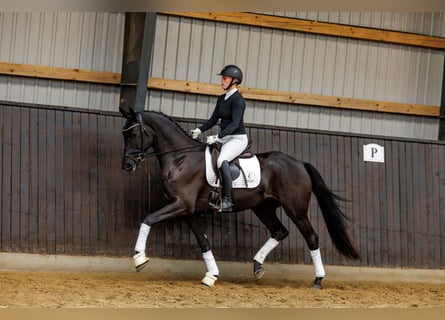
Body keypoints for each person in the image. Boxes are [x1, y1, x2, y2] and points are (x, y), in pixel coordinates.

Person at [190, 64, 248, 212]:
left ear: (234, 81)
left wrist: (217, 137)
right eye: (222, 79)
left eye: (225, 79)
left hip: (237, 138)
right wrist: (199, 129)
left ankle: (228, 200)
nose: (222, 81)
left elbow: (235, 124)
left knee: (222, 160)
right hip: (225, 137)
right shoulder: (222, 98)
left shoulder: (238, 100)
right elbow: (213, 120)